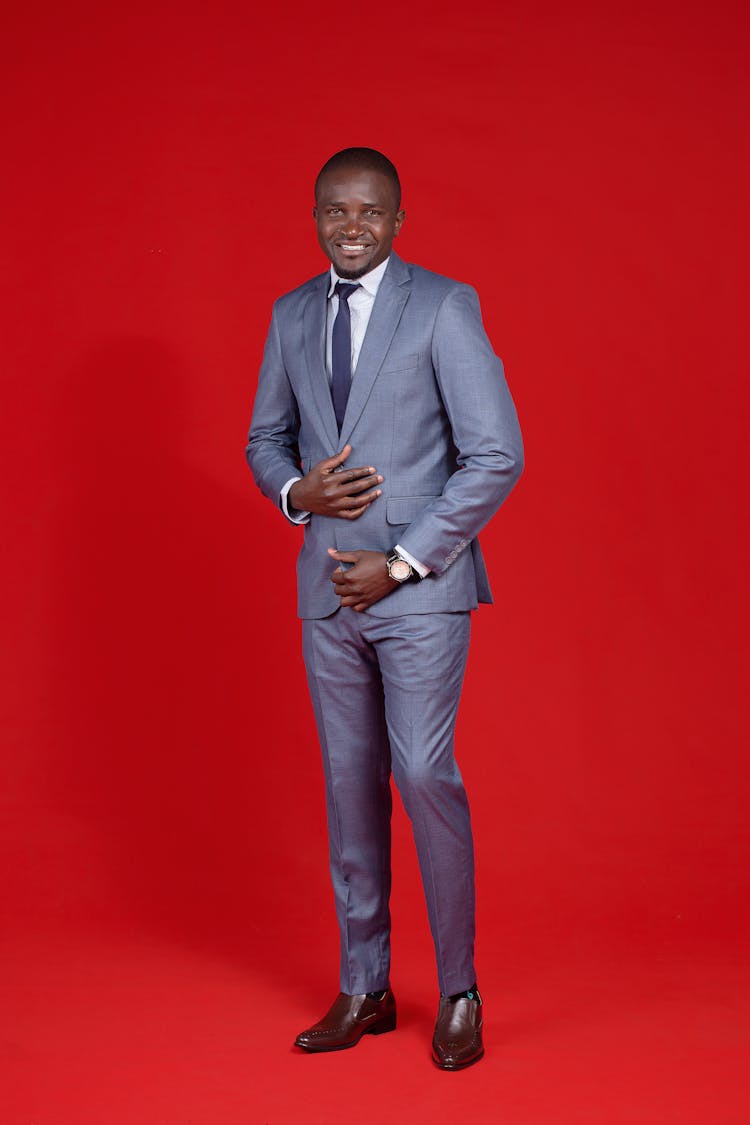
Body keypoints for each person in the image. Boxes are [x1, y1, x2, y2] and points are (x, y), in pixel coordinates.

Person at [246, 147, 523, 1070]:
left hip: (418, 593)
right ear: (316, 215)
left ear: (398, 220)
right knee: (347, 785)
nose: (350, 225)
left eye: (369, 211)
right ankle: (365, 986)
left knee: (423, 775)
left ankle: (458, 990)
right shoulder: (290, 314)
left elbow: (496, 455)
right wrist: (298, 493)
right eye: (334, 210)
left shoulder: (443, 305)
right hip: (325, 595)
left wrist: (402, 562)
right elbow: (264, 440)